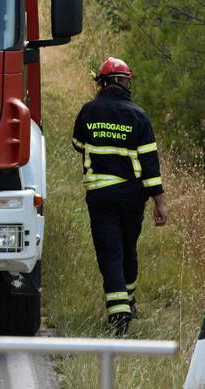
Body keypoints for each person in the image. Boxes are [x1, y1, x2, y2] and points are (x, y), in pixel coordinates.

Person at [72, 57, 168, 337]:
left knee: (110, 252)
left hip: (101, 195)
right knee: (128, 248)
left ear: (103, 83)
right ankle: (127, 303)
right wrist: (159, 201)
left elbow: (78, 144)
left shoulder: (88, 111)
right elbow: (150, 162)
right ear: (120, 81)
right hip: (132, 196)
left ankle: (119, 315)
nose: (129, 84)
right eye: (127, 79)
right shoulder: (138, 115)